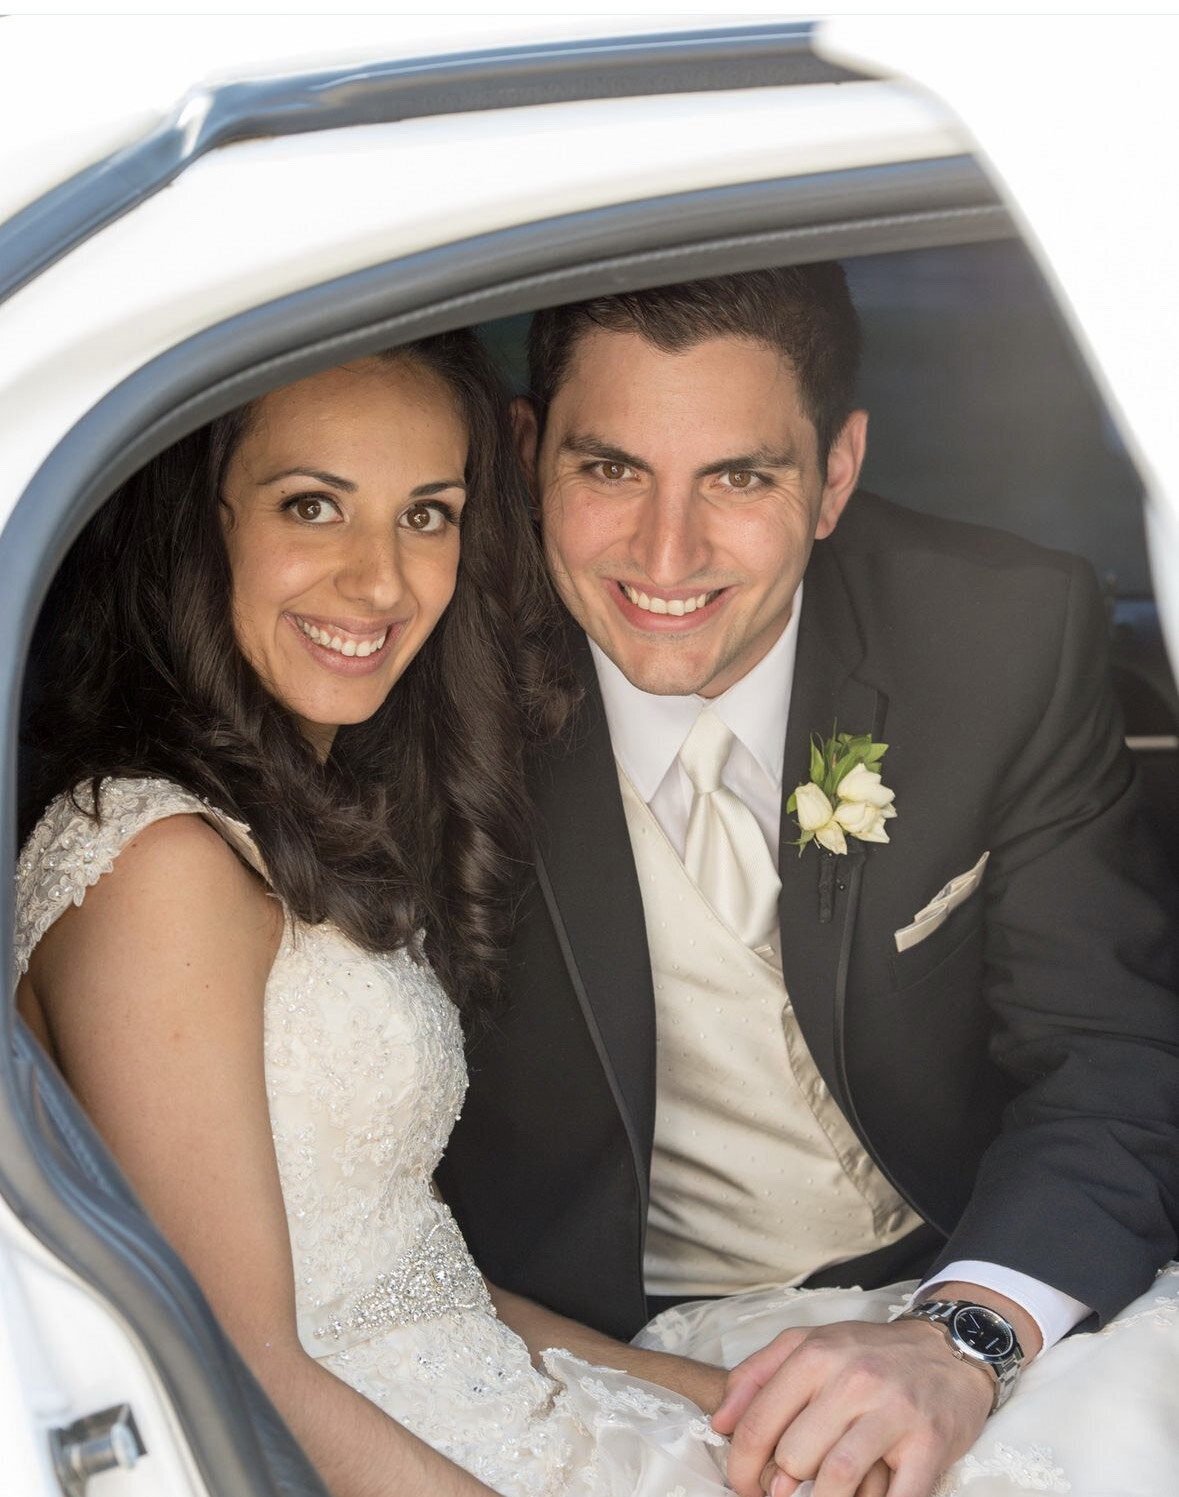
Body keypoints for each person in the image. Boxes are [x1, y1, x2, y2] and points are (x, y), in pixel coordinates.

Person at [437, 268, 1179, 1497]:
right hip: (599, 1350)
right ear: (527, 455)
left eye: (740, 476)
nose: (665, 553)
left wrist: (963, 1338)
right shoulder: (421, 660)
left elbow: (1111, 1061)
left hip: (963, 1278)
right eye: (610, 468)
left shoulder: (997, 637)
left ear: (835, 476)